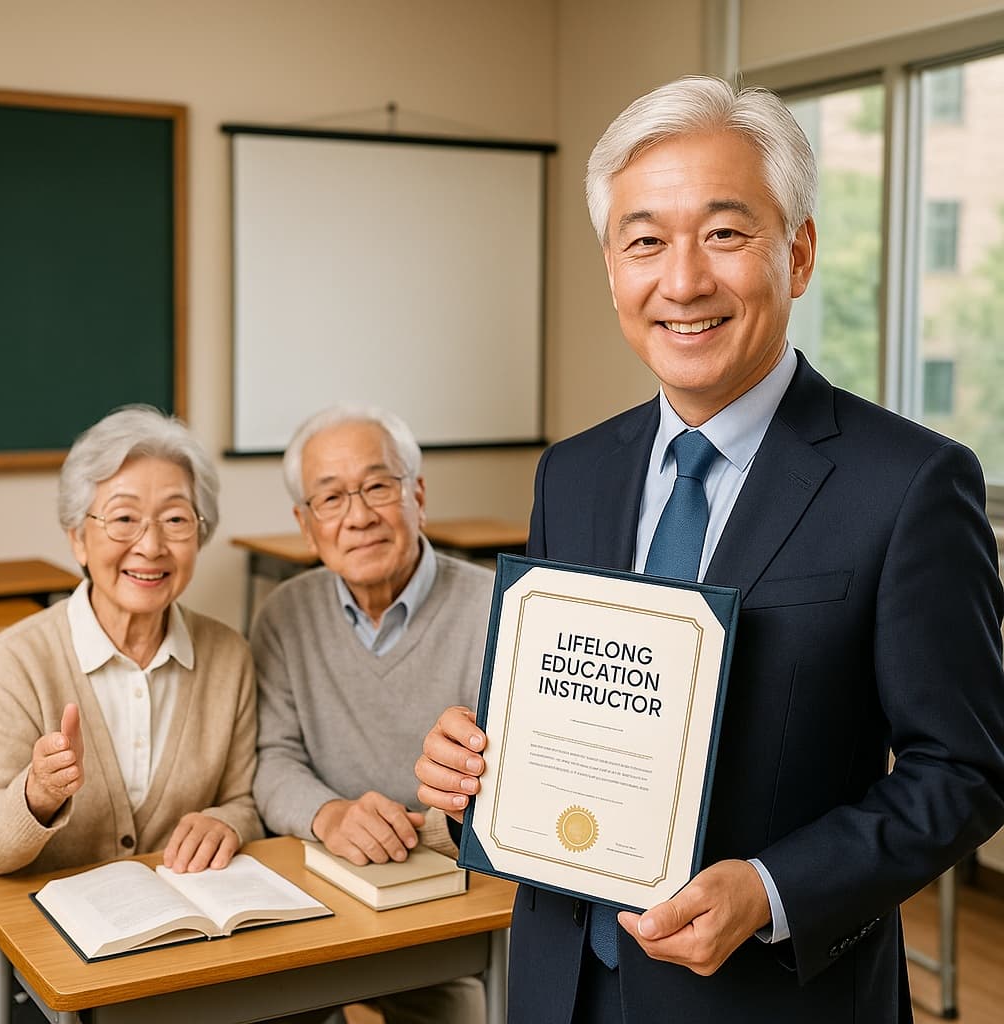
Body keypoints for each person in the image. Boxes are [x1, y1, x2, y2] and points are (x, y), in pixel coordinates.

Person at [415, 76, 1004, 1023]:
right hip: (562, 987)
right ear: (612, 269)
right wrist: (475, 771)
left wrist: (772, 891)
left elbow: (965, 771)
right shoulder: (571, 473)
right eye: (645, 241)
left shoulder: (910, 484)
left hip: (772, 999)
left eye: (725, 233)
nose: (683, 282)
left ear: (798, 254)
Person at [251, 403, 494, 1024]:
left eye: (378, 486)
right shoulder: (282, 614)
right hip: (318, 886)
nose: (358, 516)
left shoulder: (496, 607)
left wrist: (418, 835)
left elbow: (508, 784)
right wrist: (330, 815)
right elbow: (273, 758)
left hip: (448, 899)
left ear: (418, 496)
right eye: (331, 498)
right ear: (307, 526)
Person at [0, 405, 262, 877]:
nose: (150, 546)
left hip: (185, 916)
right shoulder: (16, 660)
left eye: (175, 519)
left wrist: (227, 822)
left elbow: (243, 800)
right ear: (78, 538)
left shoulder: (230, 656)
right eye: (124, 518)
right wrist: (38, 795)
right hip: (42, 922)